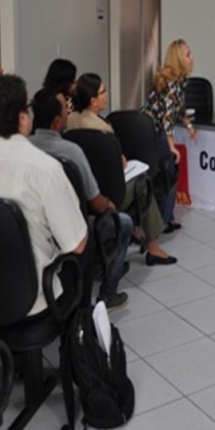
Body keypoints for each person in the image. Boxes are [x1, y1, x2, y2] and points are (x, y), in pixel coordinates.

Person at [0, 75, 88, 316]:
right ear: (22, 117)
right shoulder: (43, 167)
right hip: (30, 299)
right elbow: (78, 244)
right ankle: (77, 341)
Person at [29, 88, 132, 309]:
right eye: (66, 109)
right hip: (74, 231)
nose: (69, 111)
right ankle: (108, 294)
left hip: (37, 230)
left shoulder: (26, 147)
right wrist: (110, 205)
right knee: (124, 223)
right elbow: (95, 201)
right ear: (57, 121)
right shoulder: (71, 152)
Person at [67, 73, 178, 265]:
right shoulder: (103, 129)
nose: (106, 95)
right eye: (103, 92)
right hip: (106, 196)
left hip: (78, 194)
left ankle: (137, 230)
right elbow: (118, 166)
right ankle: (153, 246)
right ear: (93, 101)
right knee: (144, 184)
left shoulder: (69, 122)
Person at [144, 39, 198, 233]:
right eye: (188, 54)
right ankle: (163, 220)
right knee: (169, 173)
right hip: (154, 133)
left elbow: (178, 108)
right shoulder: (171, 83)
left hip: (154, 131)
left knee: (166, 174)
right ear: (178, 59)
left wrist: (188, 125)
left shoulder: (178, 81)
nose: (192, 58)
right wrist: (172, 146)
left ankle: (165, 218)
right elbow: (167, 118)